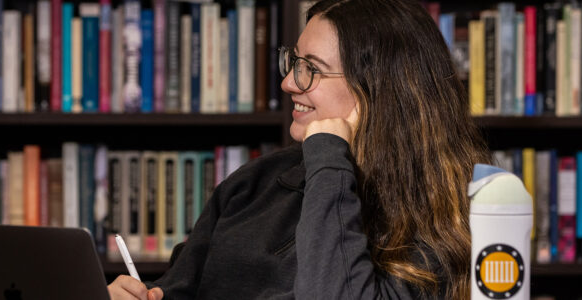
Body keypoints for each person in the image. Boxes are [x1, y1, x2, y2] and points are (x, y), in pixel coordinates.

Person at [108, 0, 490, 299]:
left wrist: (329, 159)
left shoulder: (443, 218)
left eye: (313, 68)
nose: (290, 82)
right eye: (294, 61)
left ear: (380, 90)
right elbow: (178, 289)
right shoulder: (253, 184)